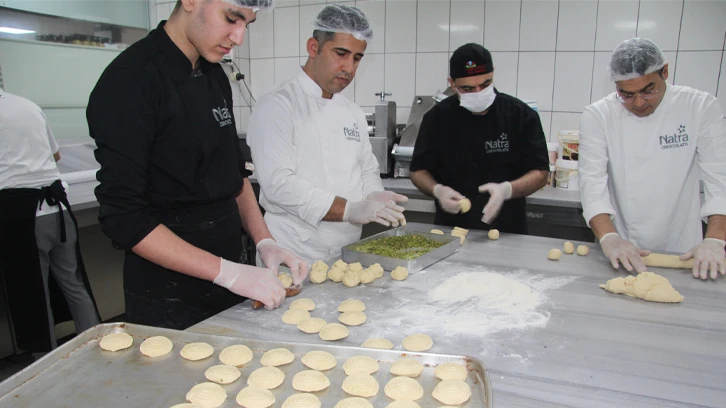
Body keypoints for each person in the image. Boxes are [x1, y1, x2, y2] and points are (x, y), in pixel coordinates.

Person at [86, 0, 308, 330]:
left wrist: (264, 241)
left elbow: (234, 175)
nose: (238, 37)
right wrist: (228, 273)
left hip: (232, 284)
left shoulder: (214, 75)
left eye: (247, 23)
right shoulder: (130, 81)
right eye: (232, 19)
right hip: (169, 298)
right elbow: (124, 218)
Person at [246, 4, 407, 263]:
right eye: (341, 54)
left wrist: (374, 195)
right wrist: (349, 209)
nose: (349, 68)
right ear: (313, 47)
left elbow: (366, 169)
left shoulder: (352, 112)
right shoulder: (278, 105)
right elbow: (278, 185)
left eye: (357, 58)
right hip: (292, 255)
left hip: (347, 253)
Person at [579, 37, 726, 280]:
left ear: (665, 72)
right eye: (626, 94)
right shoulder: (599, 115)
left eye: (648, 91)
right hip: (621, 248)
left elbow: (719, 177)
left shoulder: (699, 106)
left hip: (684, 251)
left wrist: (715, 239)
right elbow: (591, 183)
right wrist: (609, 237)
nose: (638, 103)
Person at [409, 43, 549, 234]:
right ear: (452, 83)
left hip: (509, 231)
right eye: (467, 88)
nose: (477, 93)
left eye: (485, 85)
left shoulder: (520, 115)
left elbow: (540, 173)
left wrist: (506, 190)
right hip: (451, 231)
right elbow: (418, 170)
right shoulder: (437, 118)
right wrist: (437, 191)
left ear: (493, 75)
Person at [0, 89, 100, 352]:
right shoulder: (28, 106)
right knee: (73, 283)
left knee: (31, 292)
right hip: (57, 210)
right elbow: (55, 155)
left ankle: (44, 364)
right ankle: (97, 346)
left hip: (20, 215)